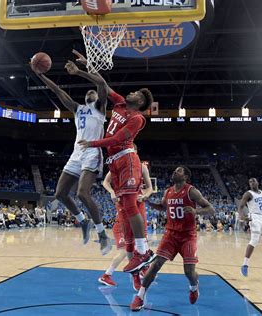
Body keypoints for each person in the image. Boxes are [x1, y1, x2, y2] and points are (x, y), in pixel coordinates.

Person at [76, 52, 154, 272]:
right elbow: (102, 83)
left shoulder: (138, 118)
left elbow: (119, 139)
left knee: (130, 204)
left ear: (139, 101)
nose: (130, 92)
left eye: (135, 93)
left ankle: (143, 251)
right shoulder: (120, 103)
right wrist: (85, 66)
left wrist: (92, 144)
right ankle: (138, 252)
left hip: (127, 158)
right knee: (126, 205)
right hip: (114, 163)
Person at [34, 59, 111, 255]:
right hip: (77, 154)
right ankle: (83, 221)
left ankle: (102, 234)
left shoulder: (100, 108)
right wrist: (41, 76)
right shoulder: (78, 109)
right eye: (87, 92)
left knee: (82, 193)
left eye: (91, 92)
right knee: (59, 194)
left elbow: (101, 84)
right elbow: (58, 91)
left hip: (92, 152)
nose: (90, 92)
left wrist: (79, 72)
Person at [130, 166, 215, 311]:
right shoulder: (168, 191)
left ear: (186, 177)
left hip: (187, 236)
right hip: (170, 234)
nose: (175, 172)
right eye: (175, 170)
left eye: (179, 171)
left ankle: (194, 287)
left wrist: (196, 211)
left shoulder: (191, 191)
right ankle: (140, 296)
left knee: (189, 272)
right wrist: (149, 203)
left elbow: (211, 209)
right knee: (155, 265)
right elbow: (163, 207)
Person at [98, 159, 153, 290]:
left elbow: (150, 188)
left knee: (142, 244)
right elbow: (105, 182)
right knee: (125, 251)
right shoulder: (118, 167)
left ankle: (142, 270)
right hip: (121, 222)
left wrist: (144, 195)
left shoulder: (140, 167)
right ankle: (107, 275)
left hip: (137, 212)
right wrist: (112, 192)